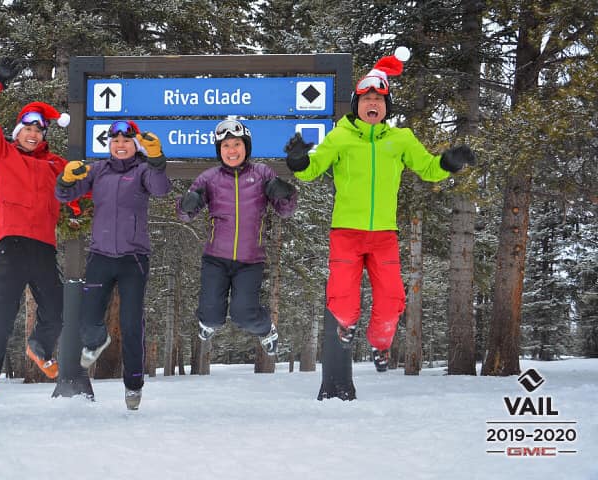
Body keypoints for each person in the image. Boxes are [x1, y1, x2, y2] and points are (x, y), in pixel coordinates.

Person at [283, 48, 475, 372]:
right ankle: (346, 324)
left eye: (379, 100)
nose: (373, 104)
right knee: (342, 298)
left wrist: (448, 162)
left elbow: (428, 168)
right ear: (357, 105)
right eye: (367, 99)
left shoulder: (400, 139)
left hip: (384, 234)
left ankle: (380, 345)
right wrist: (298, 160)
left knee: (391, 301)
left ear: (387, 107)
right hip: (346, 232)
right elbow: (311, 170)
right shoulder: (340, 137)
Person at [0, 58, 72, 401]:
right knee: (1, 314)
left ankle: (40, 348)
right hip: (11, 246)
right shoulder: (4, 155)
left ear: (44, 134)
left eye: (39, 129)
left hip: (43, 247)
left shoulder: (56, 165)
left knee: (57, 308)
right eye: (28, 128)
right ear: (18, 132)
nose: (33, 133)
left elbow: (82, 185)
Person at [55, 120, 171, 410]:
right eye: (115, 140)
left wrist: (157, 159)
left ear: (136, 145)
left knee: (132, 325)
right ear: (109, 145)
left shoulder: (143, 170)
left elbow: (161, 189)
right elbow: (64, 195)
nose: (120, 144)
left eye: (127, 140)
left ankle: (133, 386)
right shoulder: (98, 170)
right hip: (101, 256)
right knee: (88, 317)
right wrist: (66, 179)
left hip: (134, 259)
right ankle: (96, 341)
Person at [177, 119, 298, 356]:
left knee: (244, 314)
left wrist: (286, 194)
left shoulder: (262, 173)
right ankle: (207, 324)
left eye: (236, 144)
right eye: (226, 146)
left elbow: (286, 211)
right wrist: (185, 204)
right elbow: (185, 215)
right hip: (215, 259)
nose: (232, 151)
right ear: (219, 150)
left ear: (246, 147)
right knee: (211, 315)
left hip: (250, 261)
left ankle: (266, 330)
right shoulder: (209, 178)